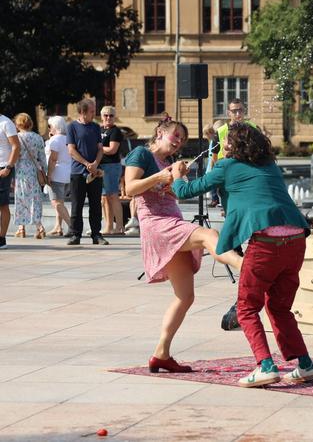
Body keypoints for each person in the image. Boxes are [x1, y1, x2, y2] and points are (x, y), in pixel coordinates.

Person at [172, 122, 313, 388]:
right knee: (279, 306)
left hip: (266, 244)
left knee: (247, 308)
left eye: (226, 141)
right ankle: (306, 365)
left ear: (233, 145)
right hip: (296, 240)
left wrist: (177, 174)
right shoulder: (269, 166)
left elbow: (186, 191)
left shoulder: (227, 166)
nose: (223, 144)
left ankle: (265, 366)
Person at [124, 115, 242, 373]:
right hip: (157, 224)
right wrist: (159, 177)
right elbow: (130, 188)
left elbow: (177, 194)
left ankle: (161, 354)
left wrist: (176, 179)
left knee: (185, 296)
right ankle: (246, 268)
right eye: (175, 135)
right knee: (208, 234)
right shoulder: (141, 156)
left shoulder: (167, 163)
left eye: (182, 140)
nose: (179, 142)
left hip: (171, 223)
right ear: (159, 133)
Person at [66, 98, 107, 246]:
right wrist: (86, 163)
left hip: (95, 172)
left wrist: (95, 163)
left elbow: (100, 148)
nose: (94, 113)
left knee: (96, 205)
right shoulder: (72, 127)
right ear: (83, 112)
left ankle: (96, 234)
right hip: (78, 172)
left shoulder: (95, 127)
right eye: (91, 111)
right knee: (77, 204)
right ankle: (75, 234)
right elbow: (71, 150)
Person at [13, 113, 47, 239]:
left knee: (21, 198)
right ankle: (39, 227)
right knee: (35, 199)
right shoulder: (37, 138)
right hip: (34, 171)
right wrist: (45, 171)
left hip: (20, 170)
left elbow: (15, 157)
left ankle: (21, 228)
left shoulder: (16, 137)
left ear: (18, 124)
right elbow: (42, 157)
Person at [99, 106, 124, 235]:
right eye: (106, 115)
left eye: (111, 115)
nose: (108, 118)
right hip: (101, 166)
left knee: (113, 195)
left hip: (112, 166)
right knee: (104, 198)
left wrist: (97, 148)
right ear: (101, 116)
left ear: (114, 117)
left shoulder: (115, 131)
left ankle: (119, 227)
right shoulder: (99, 129)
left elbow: (112, 149)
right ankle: (108, 226)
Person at [45, 116, 72, 236]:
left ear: (54, 127)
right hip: (68, 173)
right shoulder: (67, 138)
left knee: (56, 202)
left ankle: (73, 226)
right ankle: (58, 227)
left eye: (49, 126)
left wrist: (49, 175)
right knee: (60, 201)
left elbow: (53, 159)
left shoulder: (55, 140)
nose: (49, 129)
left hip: (57, 174)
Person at [0, 113, 20, 249]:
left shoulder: (6, 123)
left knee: (2, 204)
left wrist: (8, 166)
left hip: (3, 167)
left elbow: (16, 146)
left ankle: (1, 238)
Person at [203, 123, 220, 208]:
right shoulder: (211, 142)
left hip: (213, 165)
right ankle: (214, 198)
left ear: (210, 133)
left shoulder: (214, 141)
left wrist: (212, 166)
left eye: (206, 134)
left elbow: (213, 155)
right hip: (211, 164)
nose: (205, 137)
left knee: (213, 183)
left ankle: (215, 199)